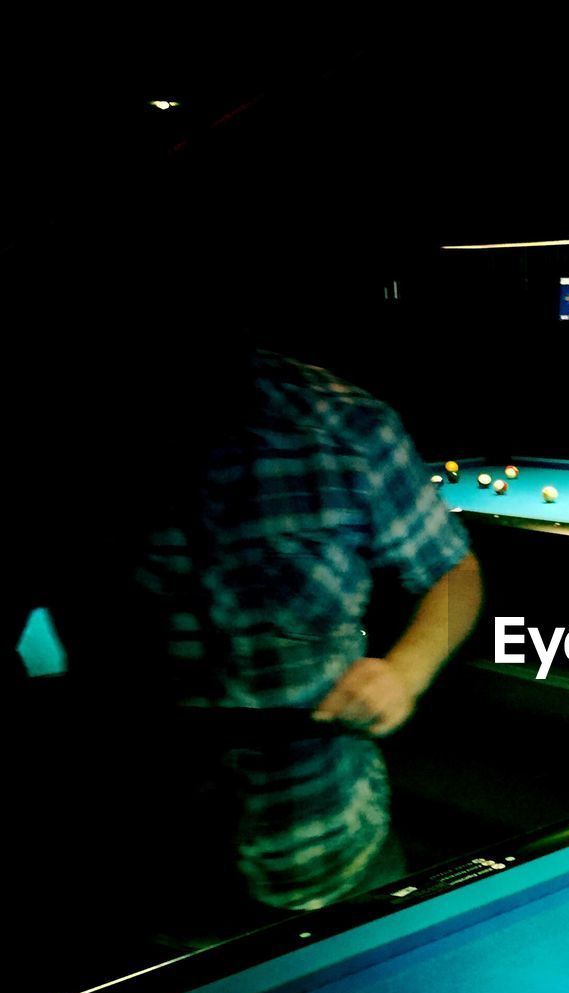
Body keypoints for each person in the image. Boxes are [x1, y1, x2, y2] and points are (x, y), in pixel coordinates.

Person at [27, 328, 482, 932]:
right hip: (141, 867)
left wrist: (406, 672)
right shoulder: (53, 436)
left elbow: (454, 572)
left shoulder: (345, 425)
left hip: (336, 847)